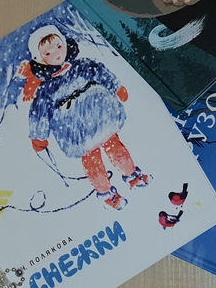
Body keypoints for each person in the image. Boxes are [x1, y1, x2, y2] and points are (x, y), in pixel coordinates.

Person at [19, 25, 151, 211]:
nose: (56, 54)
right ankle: (107, 194)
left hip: (101, 116)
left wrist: (117, 87)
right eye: (48, 53)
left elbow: (101, 73)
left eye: (58, 46)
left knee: (116, 149)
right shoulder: (46, 89)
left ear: (65, 44)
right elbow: (39, 113)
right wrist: (38, 136)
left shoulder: (83, 65)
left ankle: (132, 174)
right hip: (75, 131)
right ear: (40, 59)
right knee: (92, 162)